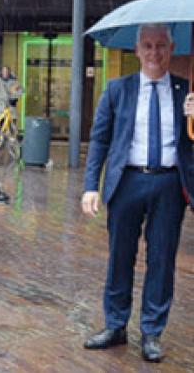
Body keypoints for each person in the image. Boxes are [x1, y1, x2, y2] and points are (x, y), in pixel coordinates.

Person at [81, 23, 192, 363]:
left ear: (171, 49)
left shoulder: (186, 91)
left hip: (169, 185)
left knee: (161, 260)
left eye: (161, 45)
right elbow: (99, 139)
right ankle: (115, 325)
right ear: (137, 50)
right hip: (127, 182)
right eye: (148, 45)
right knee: (120, 256)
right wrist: (90, 186)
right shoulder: (118, 89)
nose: (154, 52)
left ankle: (152, 332)